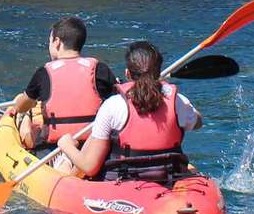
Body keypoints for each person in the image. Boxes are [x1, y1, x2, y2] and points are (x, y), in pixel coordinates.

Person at [57, 40, 203, 183]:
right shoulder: (178, 101)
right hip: (168, 178)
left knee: (70, 160)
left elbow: (90, 167)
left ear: (127, 73)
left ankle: (65, 162)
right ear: (158, 72)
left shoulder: (112, 106)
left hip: (124, 183)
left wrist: (66, 146)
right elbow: (198, 123)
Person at [6, 17, 118, 151]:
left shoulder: (44, 73)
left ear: (57, 42)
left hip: (54, 148)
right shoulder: (100, 69)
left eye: (49, 41)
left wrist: (23, 107)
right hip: (94, 147)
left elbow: (21, 107)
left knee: (24, 117)